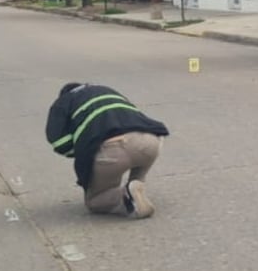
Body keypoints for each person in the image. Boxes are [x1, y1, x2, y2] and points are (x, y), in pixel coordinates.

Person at [46, 82, 169, 219]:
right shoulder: (107, 90)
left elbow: (59, 142)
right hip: (151, 141)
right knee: (141, 154)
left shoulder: (63, 102)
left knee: (95, 201)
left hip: (113, 151)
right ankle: (137, 184)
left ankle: (125, 196)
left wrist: (83, 149)